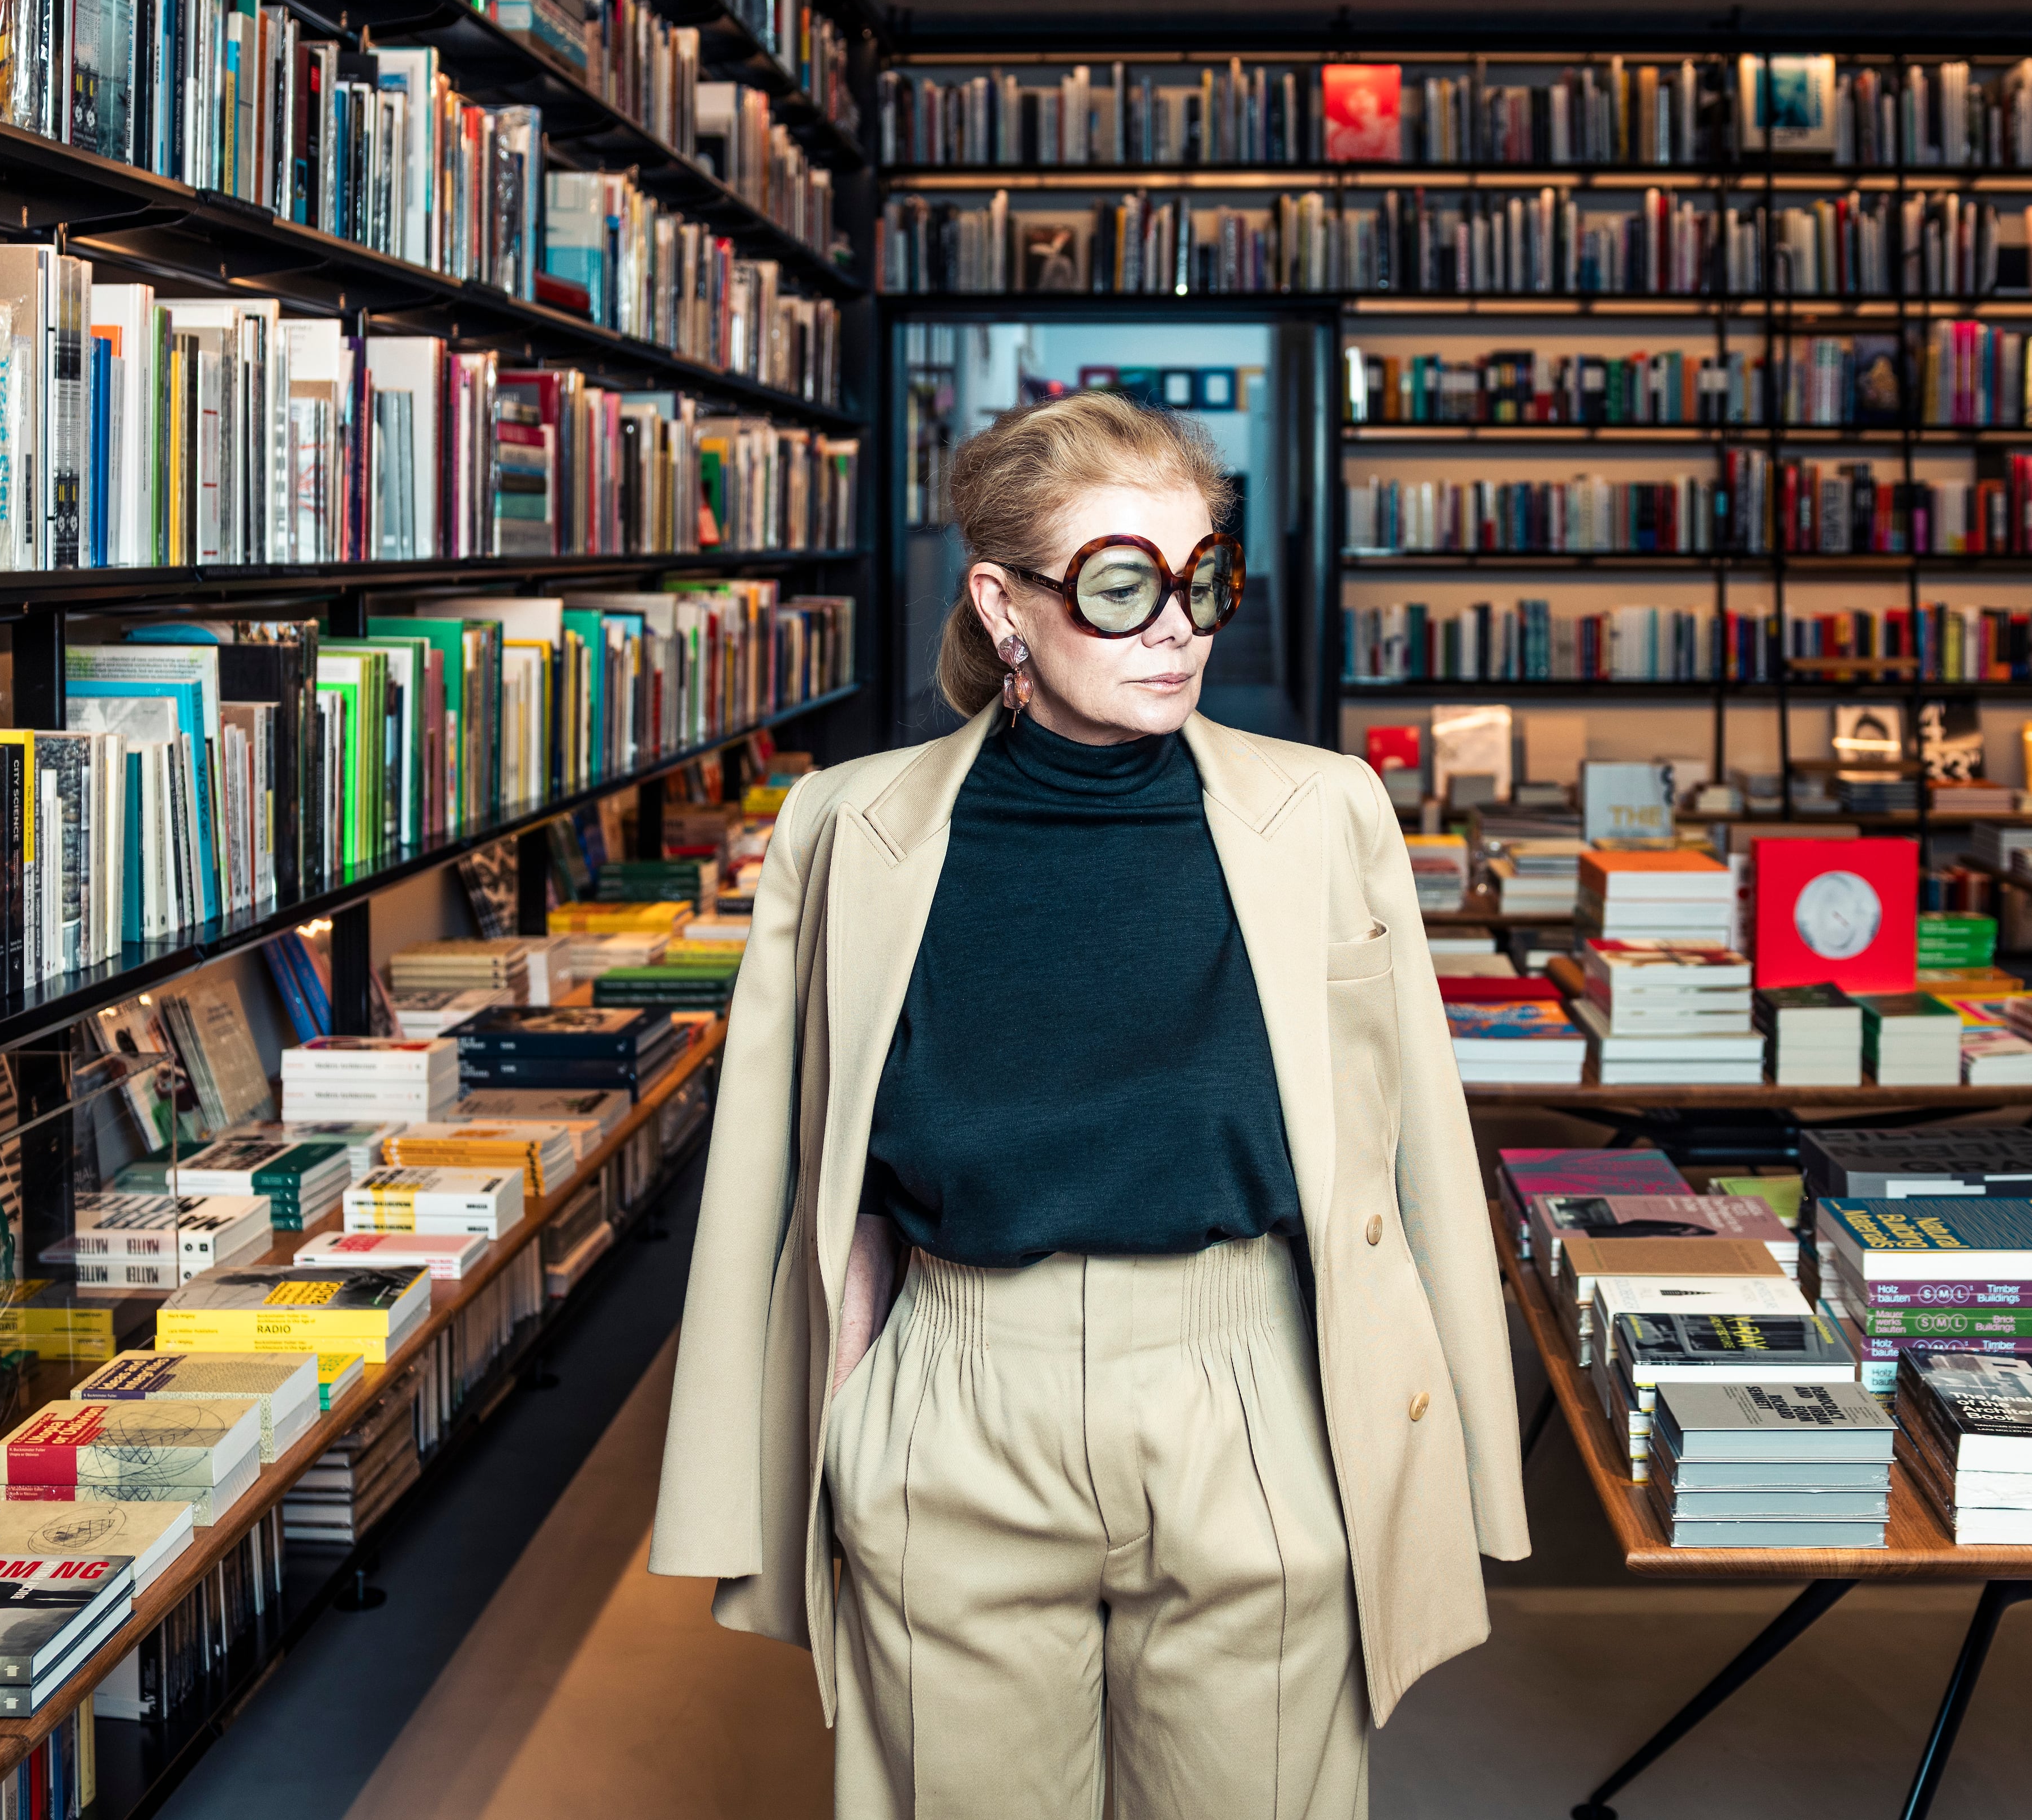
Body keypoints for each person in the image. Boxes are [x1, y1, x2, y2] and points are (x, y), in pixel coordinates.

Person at [650, 388, 1526, 1819]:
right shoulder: (847, 831)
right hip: (954, 1397)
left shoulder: (1324, 815)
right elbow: (799, 1176)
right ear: (1004, 605)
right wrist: (846, 1431)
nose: (1177, 629)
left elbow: (1413, 1143)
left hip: (1254, 1390)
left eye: (1203, 581)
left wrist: (1457, 1450)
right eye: (1123, 588)